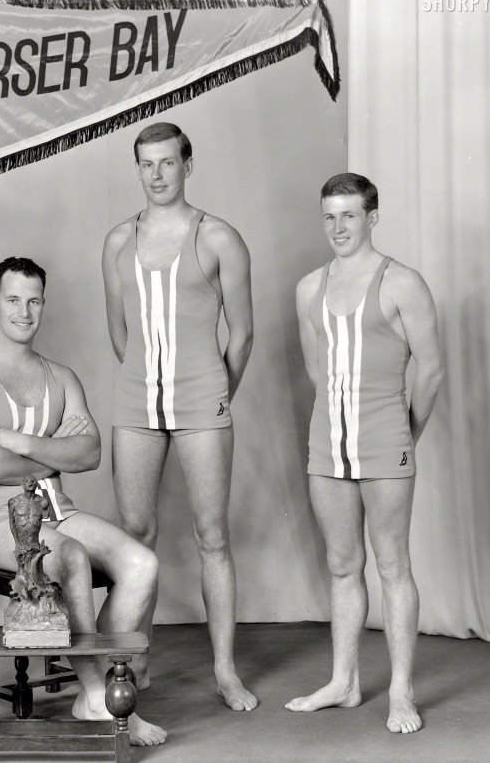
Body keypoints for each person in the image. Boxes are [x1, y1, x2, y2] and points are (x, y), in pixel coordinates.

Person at [0, 256, 167, 747]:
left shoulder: (60, 377)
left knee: (141, 563)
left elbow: (88, 452)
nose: (24, 311)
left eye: (34, 300)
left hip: (57, 509)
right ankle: (95, 694)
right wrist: (51, 455)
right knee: (69, 556)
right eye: (13, 299)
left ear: (44, 304)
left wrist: (20, 444)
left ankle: (98, 674)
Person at [101, 122, 256, 709]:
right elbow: (119, 333)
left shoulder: (218, 237)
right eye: (147, 164)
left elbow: (241, 336)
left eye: (168, 162)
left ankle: (225, 670)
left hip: (202, 401)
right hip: (136, 402)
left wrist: (214, 393)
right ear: (138, 168)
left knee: (212, 537)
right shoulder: (118, 241)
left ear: (188, 165)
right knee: (136, 537)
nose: (157, 174)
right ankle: (135, 660)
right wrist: (150, 382)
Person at [285, 173, 443, 734]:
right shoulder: (309, 288)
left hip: (385, 440)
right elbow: (315, 371)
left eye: (348, 215)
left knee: (394, 565)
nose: (338, 227)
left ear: (371, 216)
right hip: (328, 444)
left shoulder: (402, 283)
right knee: (341, 564)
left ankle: (401, 690)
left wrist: (406, 435)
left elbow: (431, 370)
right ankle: (343, 681)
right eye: (329, 216)